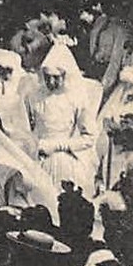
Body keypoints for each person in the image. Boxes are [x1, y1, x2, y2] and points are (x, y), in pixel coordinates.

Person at [27, 42, 102, 196]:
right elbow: (26, 126)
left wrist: (57, 146)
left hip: (64, 158)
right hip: (38, 155)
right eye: (47, 77)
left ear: (65, 75)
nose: (51, 82)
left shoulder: (76, 99)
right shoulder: (35, 96)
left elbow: (89, 138)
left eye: (56, 78)